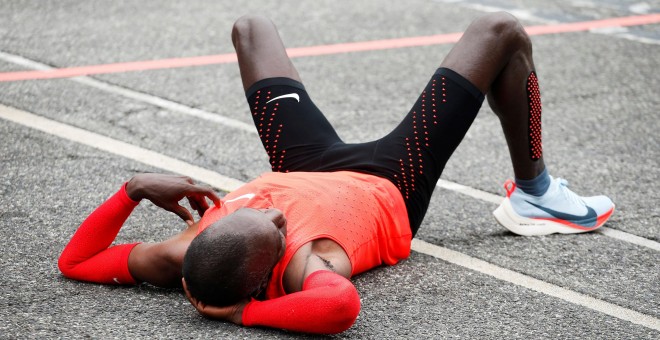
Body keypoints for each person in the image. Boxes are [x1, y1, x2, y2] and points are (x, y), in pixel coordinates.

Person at [58, 13, 615, 334]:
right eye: (275, 229)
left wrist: (132, 189)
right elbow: (340, 308)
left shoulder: (182, 256)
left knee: (250, 29)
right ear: (268, 271)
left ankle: (538, 190)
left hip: (304, 164)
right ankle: (536, 193)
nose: (273, 211)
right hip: (391, 180)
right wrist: (245, 314)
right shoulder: (308, 270)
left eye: (248, 211)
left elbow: (75, 261)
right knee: (501, 32)